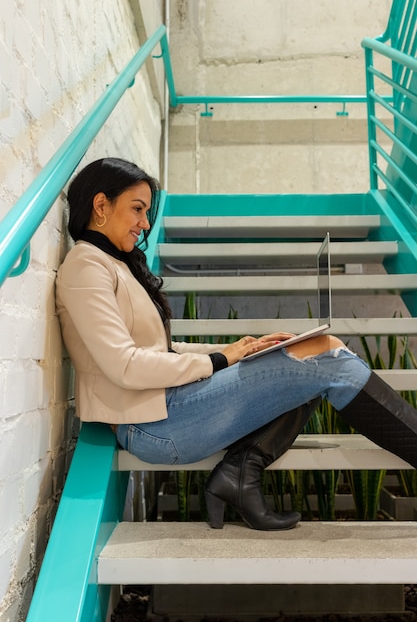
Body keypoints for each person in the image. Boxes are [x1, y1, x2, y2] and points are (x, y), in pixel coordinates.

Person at [56, 157, 417, 532]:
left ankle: (240, 473)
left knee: (307, 352)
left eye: (147, 212)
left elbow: (159, 349)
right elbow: (126, 365)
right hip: (152, 424)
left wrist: (241, 348)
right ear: (101, 205)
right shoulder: (86, 266)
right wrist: (217, 360)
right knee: (328, 358)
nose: (145, 223)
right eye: (138, 209)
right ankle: (240, 473)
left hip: (165, 408)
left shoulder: (111, 264)